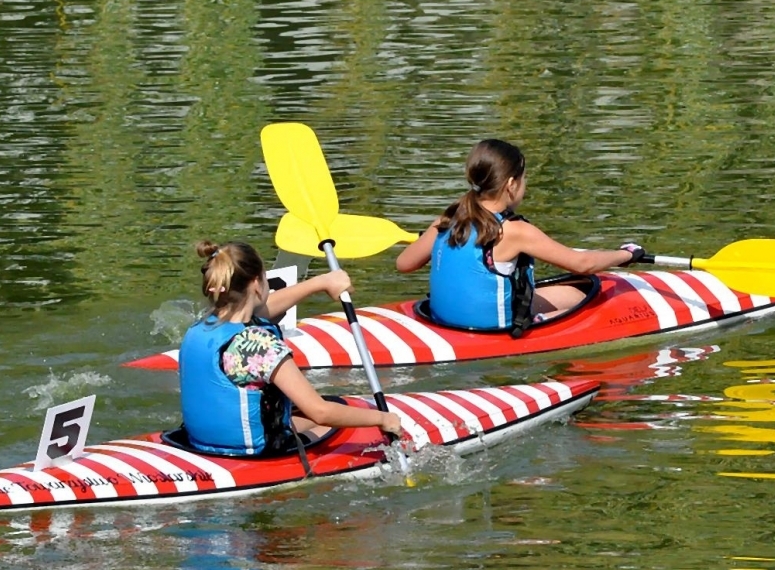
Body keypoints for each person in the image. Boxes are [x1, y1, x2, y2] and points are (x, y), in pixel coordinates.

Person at [395, 139, 644, 334]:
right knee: (589, 304)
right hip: (493, 332)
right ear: (511, 184)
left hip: (444, 321)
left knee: (575, 293)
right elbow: (583, 264)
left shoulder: (448, 220)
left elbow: (403, 264)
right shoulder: (515, 231)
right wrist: (626, 254)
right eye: (524, 179)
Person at [178, 241, 402, 457]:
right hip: (254, 453)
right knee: (337, 420)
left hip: (200, 442)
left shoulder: (201, 327)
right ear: (257, 283)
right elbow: (320, 412)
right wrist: (383, 419)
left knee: (307, 414)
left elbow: (263, 309)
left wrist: (322, 282)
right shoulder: (260, 347)